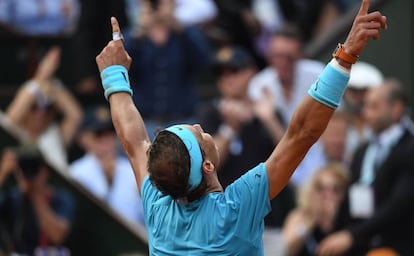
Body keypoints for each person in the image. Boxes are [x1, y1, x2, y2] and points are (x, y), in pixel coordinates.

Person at [95, 0, 386, 253]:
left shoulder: (158, 209)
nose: (199, 126)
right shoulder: (236, 209)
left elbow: (133, 141)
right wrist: (345, 56)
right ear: (207, 166)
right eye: (200, 135)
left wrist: (113, 75)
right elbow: (301, 133)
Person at [198, 45, 293, 255]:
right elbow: (208, 166)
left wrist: (268, 119)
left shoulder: (267, 111)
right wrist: (230, 128)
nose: (227, 78)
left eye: (234, 71)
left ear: (250, 73)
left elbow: (291, 156)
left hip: (266, 221)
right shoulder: (210, 114)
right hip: (224, 224)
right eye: (221, 73)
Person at [317, 79, 414, 256]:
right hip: (361, 244)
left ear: (396, 109)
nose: (366, 113)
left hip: (397, 245)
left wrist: (351, 235)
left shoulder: (409, 148)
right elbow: (351, 197)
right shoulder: (363, 151)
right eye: (366, 106)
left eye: (374, 107)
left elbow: (399, 205)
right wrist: (334, 232)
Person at [247, 23, 327, 188]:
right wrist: (269, 119)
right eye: (276, 56)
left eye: (288, 57)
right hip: (283, 163)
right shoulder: (260, 85)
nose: (281, 62)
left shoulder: (318, 75)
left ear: (299, 56)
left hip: (322, 154)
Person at [124, 0, 211, 140]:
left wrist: (177, 25)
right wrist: (139, 32)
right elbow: (123, 66)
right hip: (144, 123)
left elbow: (202, 62)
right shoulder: (135, 36)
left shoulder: (186, 33)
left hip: (182, 122)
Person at [4, 46, 83, 172]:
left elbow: (75, 115)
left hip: (54, 191)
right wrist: (41, 78)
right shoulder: (16, 133)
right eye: (34, 108)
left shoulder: (55, 134)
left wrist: (52, 82)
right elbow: (8, 121)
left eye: (48, 109)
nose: (41, 114)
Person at [69, 105, 145, 226]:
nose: (107, 140)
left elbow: (144, 220)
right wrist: (108, 180)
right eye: (99, 135)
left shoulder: (132, 170)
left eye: (110, 133)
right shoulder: (75, 172)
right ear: (83, 139)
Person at [0, 146, 74, 255]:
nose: (29, 172)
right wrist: (2, 174)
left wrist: (34, 194)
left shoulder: (61, 198)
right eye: (24, 167)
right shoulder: (12, 196)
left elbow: (57, 236)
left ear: (46, 171)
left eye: (35, 168)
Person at [282, 163, 349, 256]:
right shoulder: (299, 216)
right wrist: (311, 221)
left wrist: (330, 223)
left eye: (336, 189)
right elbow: (286, 250)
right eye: (320, 188)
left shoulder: (347, 221)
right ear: (311, 190)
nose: (327, 195)